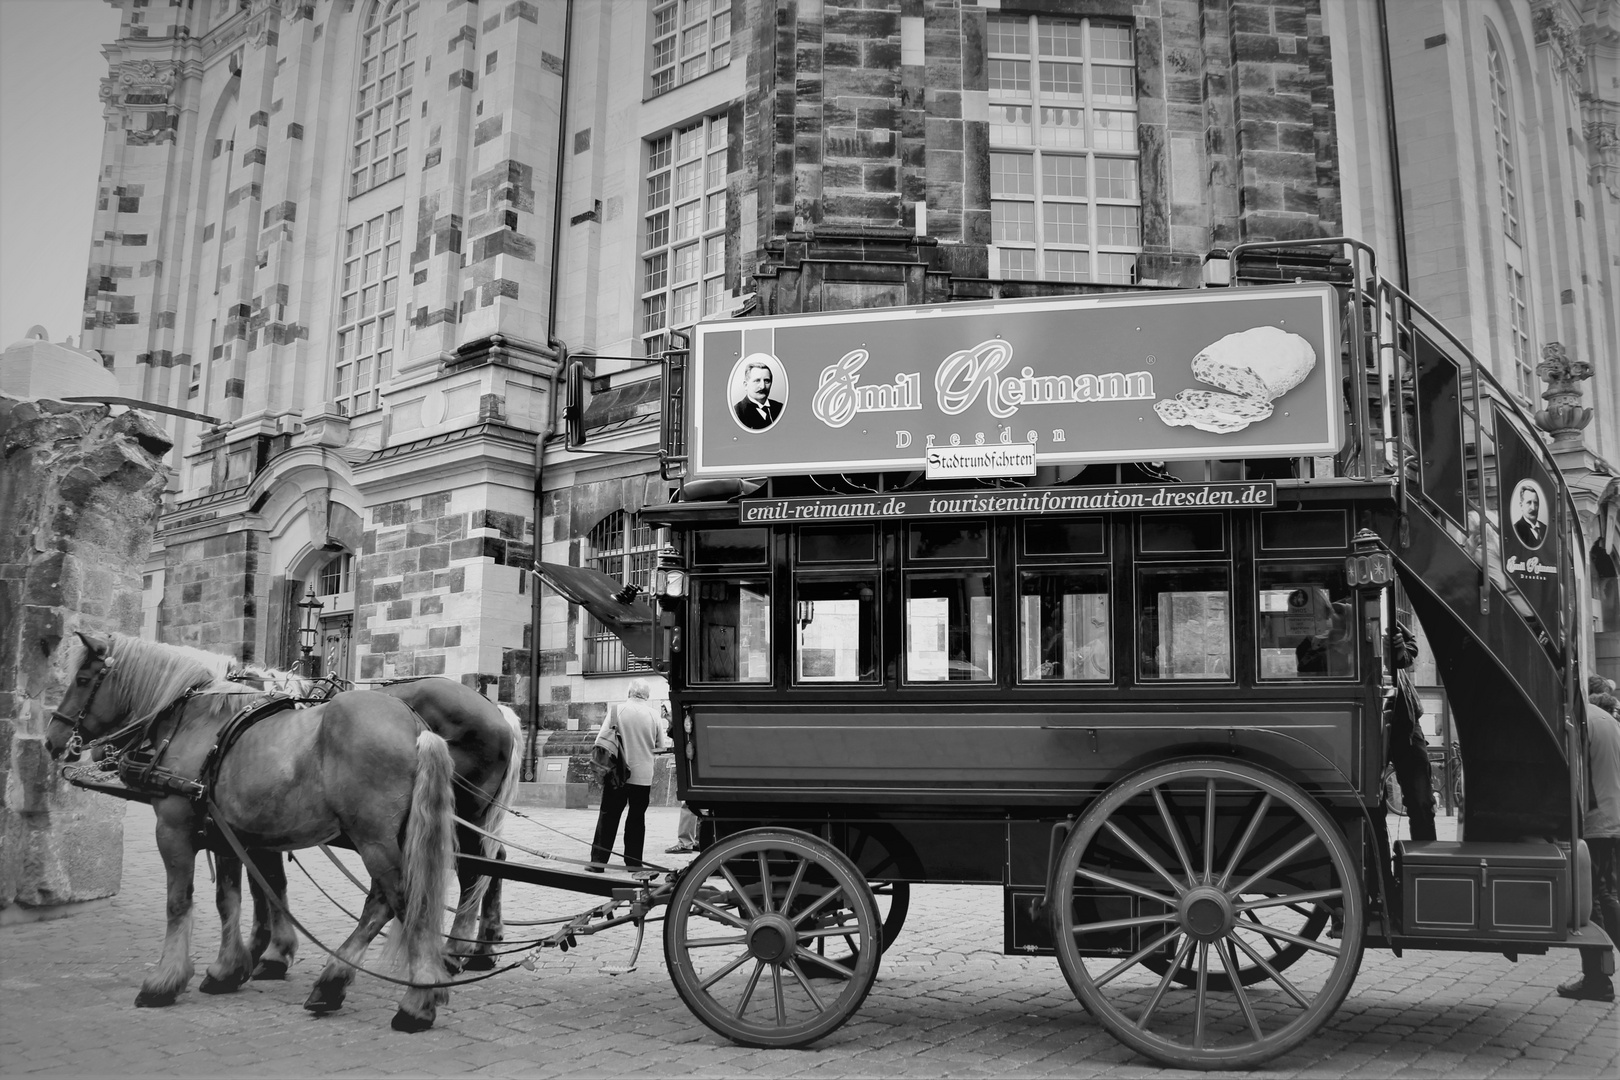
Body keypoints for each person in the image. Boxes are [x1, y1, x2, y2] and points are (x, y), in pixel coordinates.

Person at [1558, 696, 1619, 1002]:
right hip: (1612, 818)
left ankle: (1597, 979)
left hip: (1594, 821)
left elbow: (1576, 775)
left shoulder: (1579, 721)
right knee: (1605, 894)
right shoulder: (1606, 720)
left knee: (1588, 898)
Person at [589, 679, 663, 871]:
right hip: (643, 775)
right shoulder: (654, 715)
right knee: (637, 818)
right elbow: (659, 746)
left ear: (629, 692)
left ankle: (598, 862)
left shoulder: (616, 711)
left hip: (617, 775)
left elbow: (601, 741)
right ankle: (633, 863)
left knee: (608, 816)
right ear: (646, 695)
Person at [1385, 621, 1437, 842]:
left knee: (1420, 798)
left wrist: (1399, 647)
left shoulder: (1383, 617)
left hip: (1403, 720)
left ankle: (1425, 862)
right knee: (1374, 800)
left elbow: (1410, 648)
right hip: (1380, 716)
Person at [733, 358, 784, 430]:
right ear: (745, 385)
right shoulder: (737, 413)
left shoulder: (780, 408)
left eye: (767, 381)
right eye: (757, 380)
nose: (762, 386)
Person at [1512, 482, 1547, 548]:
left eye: (1536, 503)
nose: (1533, 508)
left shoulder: (1545, 528)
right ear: (1521, 505)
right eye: (1529, 503)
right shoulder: (1516, 530)